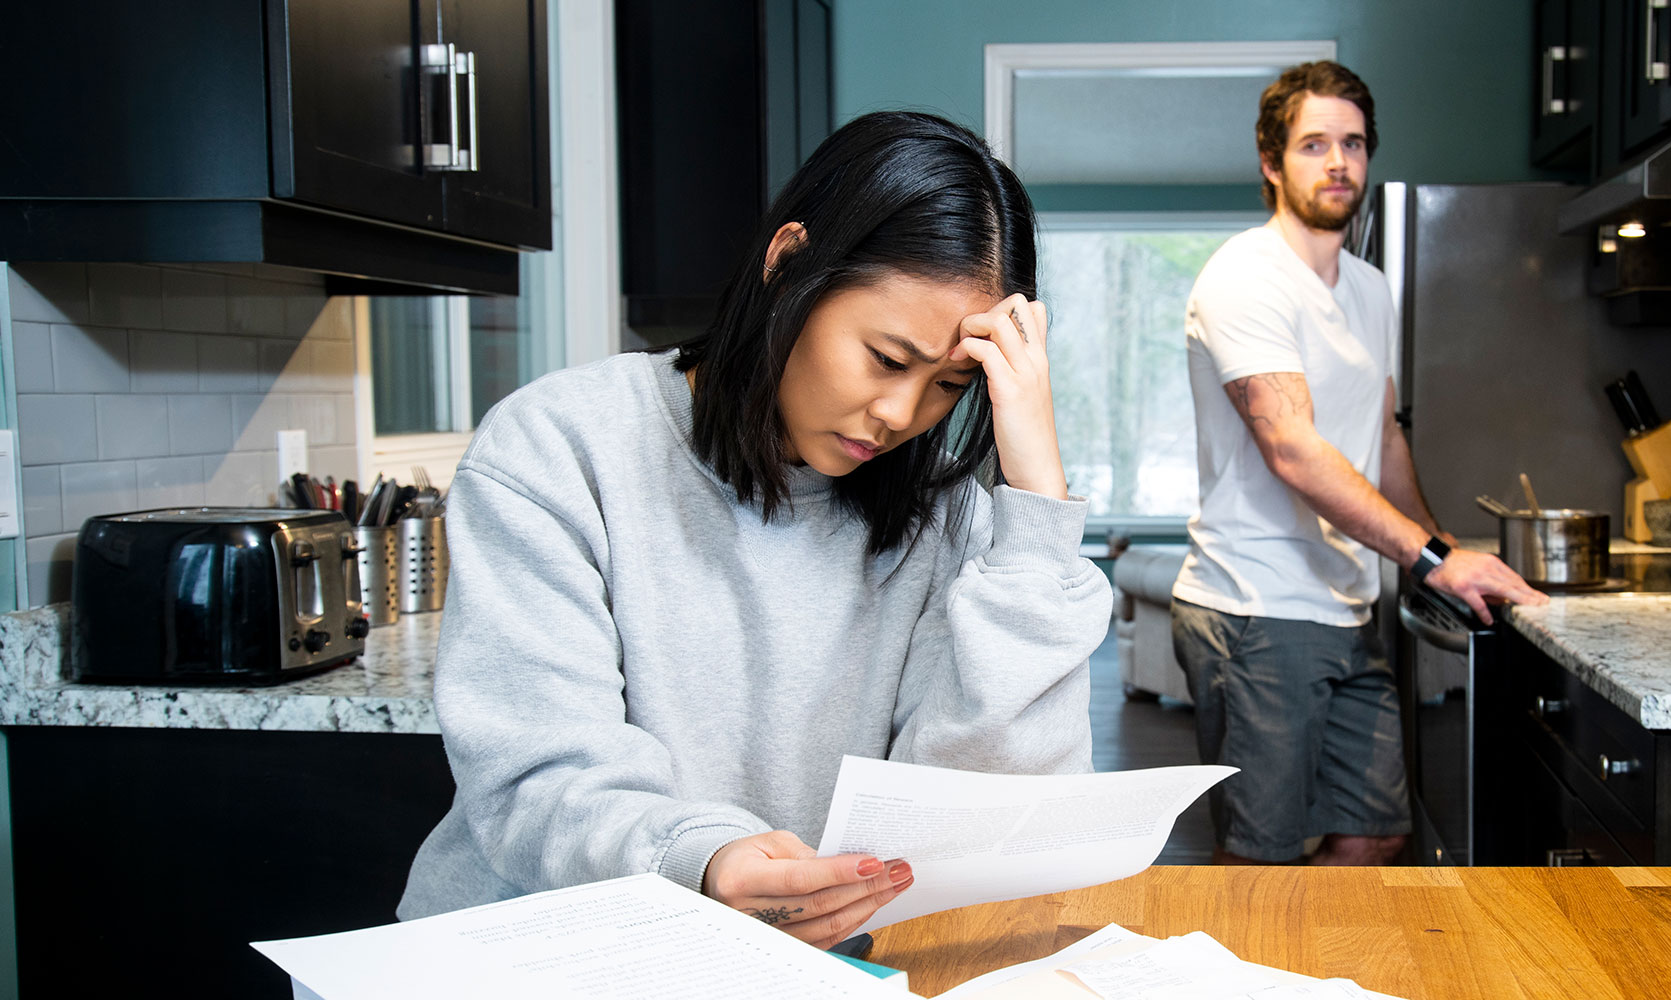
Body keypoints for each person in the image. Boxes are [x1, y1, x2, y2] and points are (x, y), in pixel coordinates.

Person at [396, 111, 1109, 947]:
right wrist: (701, 860)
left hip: (792, 966)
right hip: (542, 953)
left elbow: (987, 809)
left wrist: (1037, 506)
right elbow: (537, 780)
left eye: (951, 386)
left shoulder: (947, 518)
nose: (900, 414)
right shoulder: (559, 446)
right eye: (886, 358)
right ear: (788, 262)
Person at [1170, 61, 1547, 867]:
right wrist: (1434, 559)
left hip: (1344, 603)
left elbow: (1382, 437)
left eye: (1353, 143)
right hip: (1256, 608)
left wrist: (1434, 551)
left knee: (1378, 832)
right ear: (1272, 164)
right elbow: (1294, 448)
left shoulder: (1371, 289)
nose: (1338, 162)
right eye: (1313, 145)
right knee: (1259, 861)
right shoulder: (1244, 276)